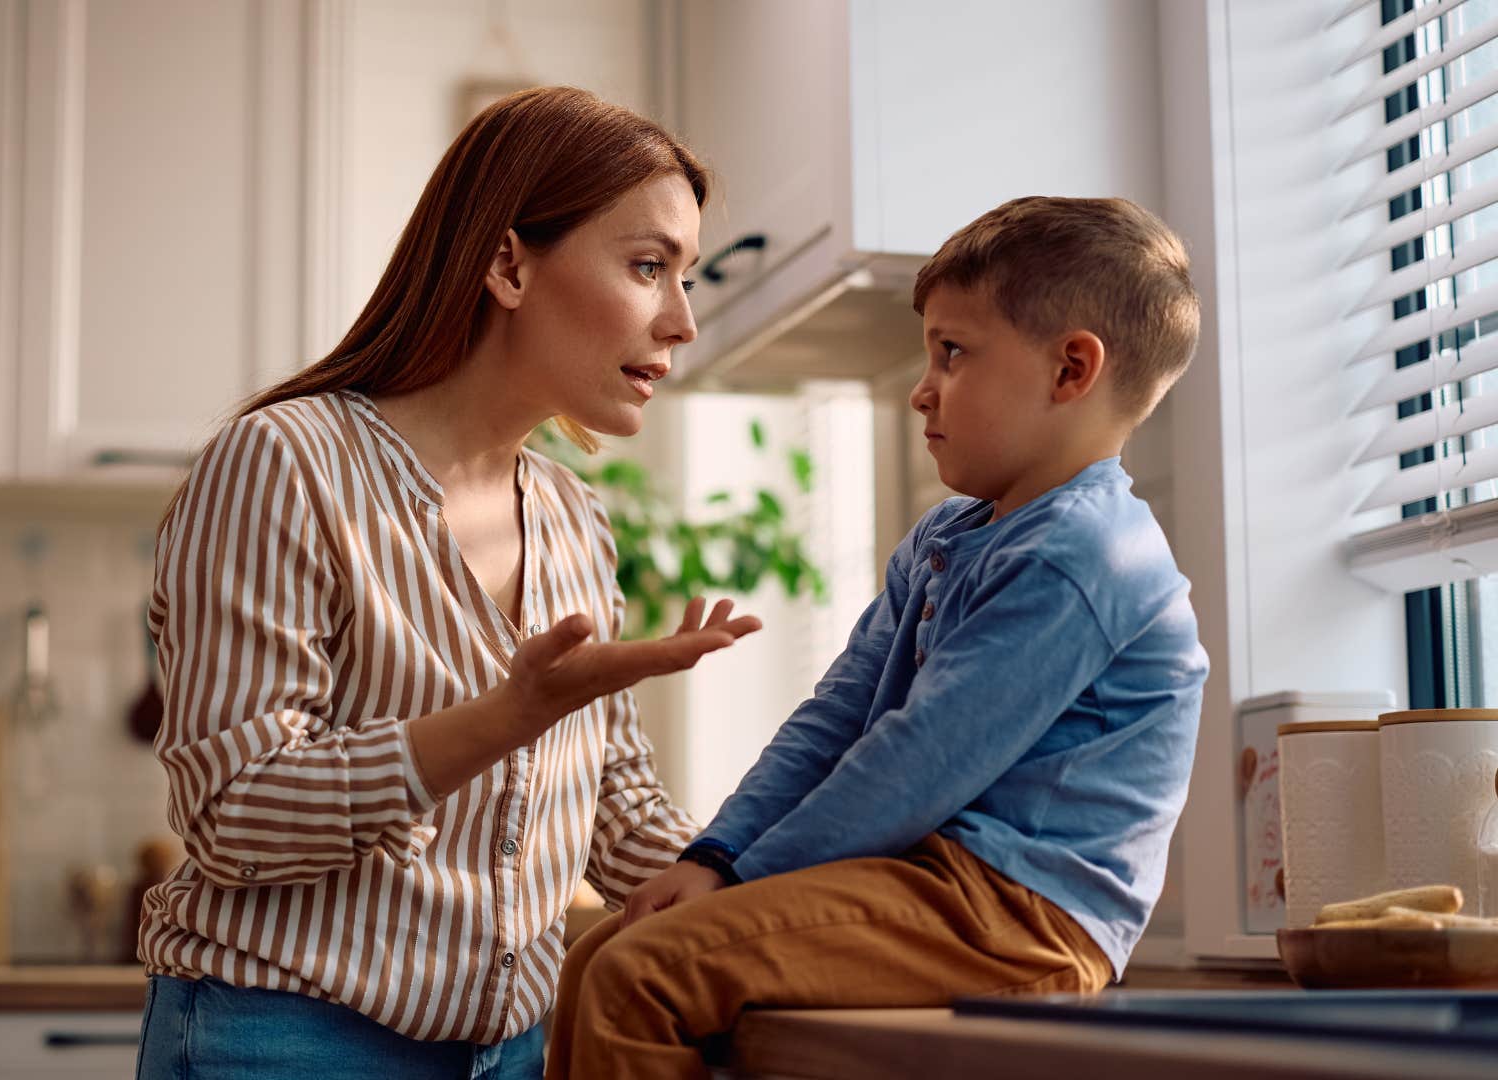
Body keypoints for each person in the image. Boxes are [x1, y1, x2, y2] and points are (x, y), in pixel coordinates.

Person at [132, 85, 761, 1080]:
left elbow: (611, 802)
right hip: (289, 1043)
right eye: (649, 267)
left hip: (513, 1051)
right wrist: (504, 716)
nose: (682, 320)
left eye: (685, 277)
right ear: (509, 264)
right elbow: (232, 810)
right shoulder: (284, 464)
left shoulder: (570, 518)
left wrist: (787, 892)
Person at [546, 195, 1210, 1080]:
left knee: (640, 971)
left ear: (1071, 369)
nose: (921, 386)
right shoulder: (949, 538)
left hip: (1026, 918)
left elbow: (916, 763)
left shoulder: (1083, 554)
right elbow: (835, 719)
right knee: (600, 955)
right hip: (931, 884)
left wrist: (744, 883)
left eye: (954, 352)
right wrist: (713, 854)